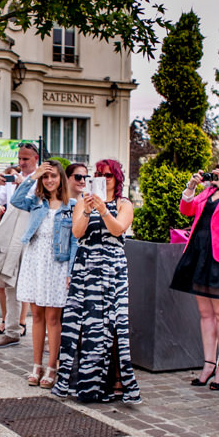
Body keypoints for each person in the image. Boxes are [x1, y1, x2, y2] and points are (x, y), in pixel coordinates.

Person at [54, 158, 140, 404]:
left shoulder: (124, 204)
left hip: (112, 267)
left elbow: (117, 229)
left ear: (117, 179)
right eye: (98, 175)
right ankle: (83, 382)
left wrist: (103, 209)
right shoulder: (83, 201)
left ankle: (116, 380)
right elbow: (77, 232)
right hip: (86, 265)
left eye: (108, 175)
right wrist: (90, 209)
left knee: (114, 326)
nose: (102, 179)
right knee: (82, 325)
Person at [170, 151, 219, 390]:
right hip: (198, 255)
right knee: (205, 314)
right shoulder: (207, 192)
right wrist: (191, 187)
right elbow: (186, 210)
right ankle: (207, 364)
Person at [11, 161, 76, 387]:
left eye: (53, 176)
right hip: (35, 261)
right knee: (36, 316)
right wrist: (32, 176)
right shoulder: (36, 202)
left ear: (61, 179)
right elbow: (15, 200)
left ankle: (52, 367)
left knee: (52, 318)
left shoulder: (71, 206)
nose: (49, 181)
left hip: (57, 264)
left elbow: (76, 241)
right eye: (45, 177)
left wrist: (71, 271)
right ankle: (36, 365)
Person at [0, 143, 40, 348]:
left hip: (31, 238)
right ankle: (11, 331)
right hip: (10, 238)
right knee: (9, 284)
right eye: (19, 158)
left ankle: (39, 332)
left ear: (36, 158)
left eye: (25, 159)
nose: (21, 163)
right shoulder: (11, 180)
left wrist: (23, 184)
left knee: (35, 289)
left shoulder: (41, 180)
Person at [0, 164, 29, 341]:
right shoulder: (6, 188)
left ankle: (21, 323)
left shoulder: (31, 184)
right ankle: (5, 320)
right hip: (6, 237)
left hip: (23, 238)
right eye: (9, 176)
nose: (13, 179)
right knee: (2, 283)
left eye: (16, 175)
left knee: (20, 284)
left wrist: (23, 184)